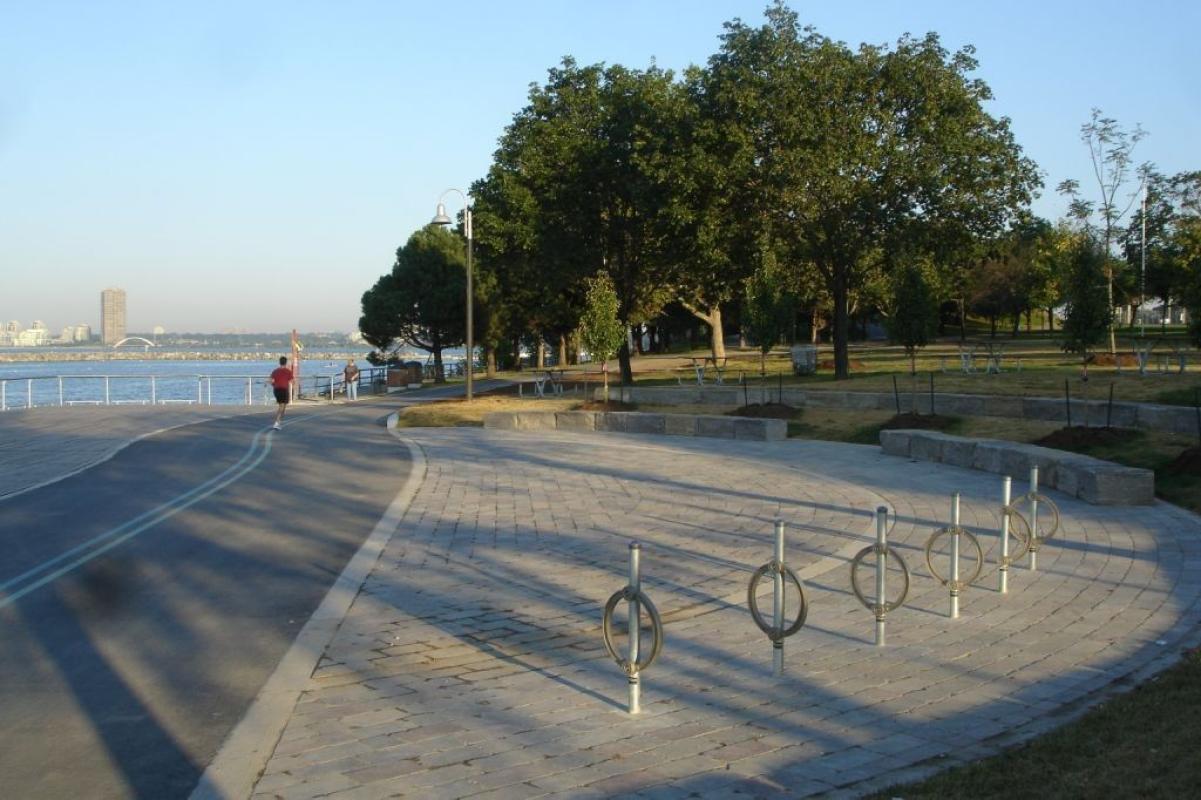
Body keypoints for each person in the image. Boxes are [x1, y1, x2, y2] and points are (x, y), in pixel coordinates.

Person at [268, 356, 293, 430]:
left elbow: (270, 381)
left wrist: (274, 385)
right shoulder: (288, 371)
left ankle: (278, 422)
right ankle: (277, 422)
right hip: (283, 390)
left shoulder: (275, 371)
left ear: (279, 362)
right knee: (282, 406)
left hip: (276, 390)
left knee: (281, 406)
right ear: (286, 362)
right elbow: (292, 381)